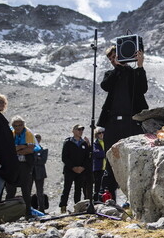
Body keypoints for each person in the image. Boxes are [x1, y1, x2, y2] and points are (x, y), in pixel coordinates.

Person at [97, 45, 148, 201]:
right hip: (112, 123)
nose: (114, 60)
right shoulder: (111, 74)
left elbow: (143, 89)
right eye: (111, 59)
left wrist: (140, 66)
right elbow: (105, 85)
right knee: (111, 159)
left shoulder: (134, 73)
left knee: (133, 160)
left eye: (115, 57)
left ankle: (133, 200)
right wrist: (118, 68)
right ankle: (107, 198)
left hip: (132, 122)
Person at [5, 116, 37, 217]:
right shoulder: (9, 133)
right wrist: (23, 146)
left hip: (25, 165)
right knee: (10, 189)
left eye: (20, 125)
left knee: (25, 189)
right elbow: (8, 149)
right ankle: (7, 213)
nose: (18, 127)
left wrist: (16, 149)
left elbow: (31, 149)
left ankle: (28, 212)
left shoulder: (28, 133)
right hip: (12, 165)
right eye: (15, 125)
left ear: (23, 125)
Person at [59, 124, 91, 213]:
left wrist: (82, 167)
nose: (80, 131)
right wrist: (73, 167)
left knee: (78, 189)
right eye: (78, 129)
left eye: (82, 130)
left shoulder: (84, 143)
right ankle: (63, 206)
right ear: (73, 131)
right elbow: (64, 157)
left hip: (81, 171)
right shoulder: (68, 142)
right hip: (70, 170)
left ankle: (77, 207)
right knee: (67, 188)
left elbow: (87, 158)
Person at [32, 133, 48, 213]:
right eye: (35, 137)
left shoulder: (44, 149)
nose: (37, 139)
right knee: (28, 190)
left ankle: (41, 207)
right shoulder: (29, 149)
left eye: (38, 137)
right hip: (31, 172)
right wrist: (37, 158)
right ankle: (29, 208)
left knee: (40, 191)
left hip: (40, 173)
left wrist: (36, 158)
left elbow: (43, 161)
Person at [92, 127, 106, 201]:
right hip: (98, 168)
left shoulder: (107, 141)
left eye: (103, 132)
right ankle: (96, 201)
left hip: (106, 168)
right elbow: (96, 154)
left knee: (106, 187)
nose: (101, 134)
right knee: (97, 187)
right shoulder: (95, 143)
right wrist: (105, 153)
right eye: (99, 133)